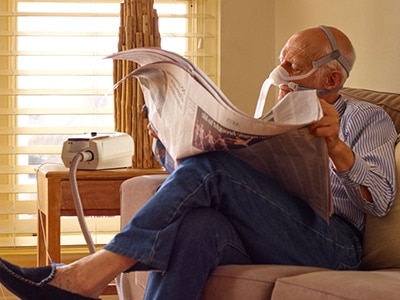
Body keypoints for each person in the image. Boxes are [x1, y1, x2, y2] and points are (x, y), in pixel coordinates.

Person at [0, 25, 397, 300]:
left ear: (329, 79)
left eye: (293, 66)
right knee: (198, 225)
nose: (280, 74)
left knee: (216, 172)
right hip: (272, 230)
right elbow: (201, 188)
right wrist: (168, 145)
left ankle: (87, 274)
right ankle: (82, 280)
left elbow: (379, 199)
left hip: (333, 244)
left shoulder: (367, 117)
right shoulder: (274, 116)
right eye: (281, 61)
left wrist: (338, 148)